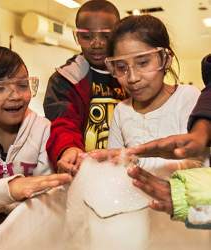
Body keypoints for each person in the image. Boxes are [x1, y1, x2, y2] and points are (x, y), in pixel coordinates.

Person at [89, 14, 210, 249]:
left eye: (143, 63)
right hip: (141, 222)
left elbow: (202, 165)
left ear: (165, 59)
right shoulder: (122, 112)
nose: (132, 78)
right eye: (121, 68)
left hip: (188, 220)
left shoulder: (189, 97)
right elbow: (116, 170)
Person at [0, 46, 72, 246]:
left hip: (30, 230)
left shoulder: (43, 130)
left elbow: (49, 193)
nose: (15, 96)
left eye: (22, 85)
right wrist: (9, 188)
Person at [43, 0, 127, 175]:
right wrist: (69, 149)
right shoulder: (65, 79)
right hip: (84, 171)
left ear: (118, 35)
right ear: (76, 36)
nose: (97, 44)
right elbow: (62, 124)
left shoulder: (130, 74)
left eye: (106, 36)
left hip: (125, 168)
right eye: (87, 37)